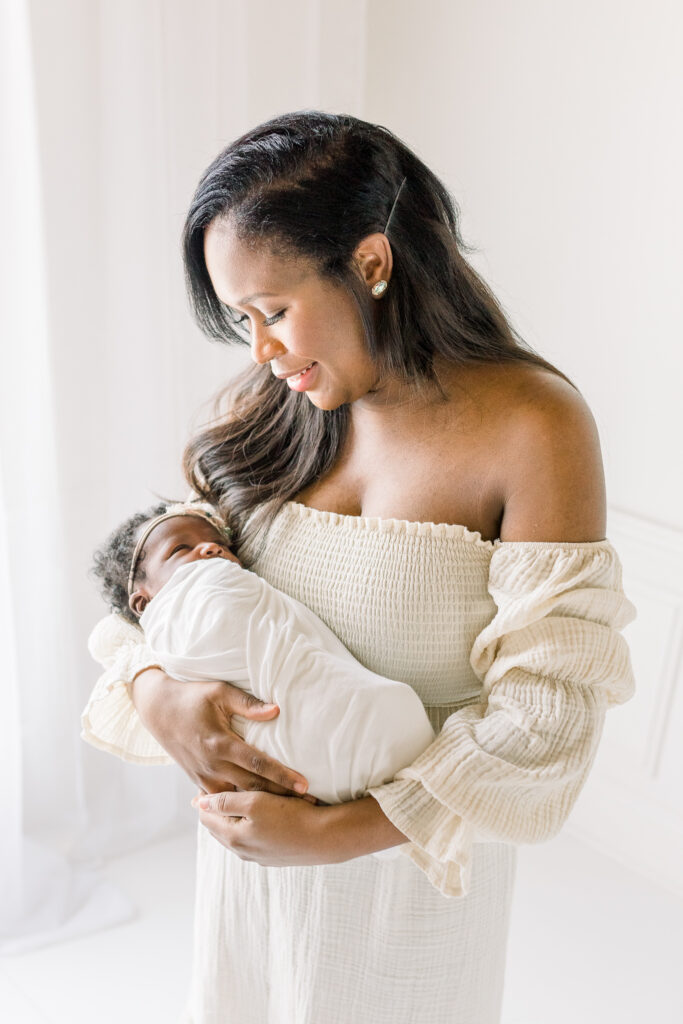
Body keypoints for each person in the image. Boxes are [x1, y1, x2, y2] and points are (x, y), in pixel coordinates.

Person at [81, 111, 636, 1024]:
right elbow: (164, 576)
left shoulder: (531, 427)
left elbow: (547, 716)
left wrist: (338, 834)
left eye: (273, 310)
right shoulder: (273, 409)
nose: (259, 347)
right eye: (241, 319)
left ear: (371, 263)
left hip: (407, 881)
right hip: (252, 882)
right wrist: (153, 691)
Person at [88, 499, 435, 809]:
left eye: (220, 544)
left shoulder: (231, 581)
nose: (210, 548)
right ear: (143, 602)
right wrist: (152, 690)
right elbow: (119, 636)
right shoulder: (180, 609)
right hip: (318, 773)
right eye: (181, 549)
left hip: (383, 730)